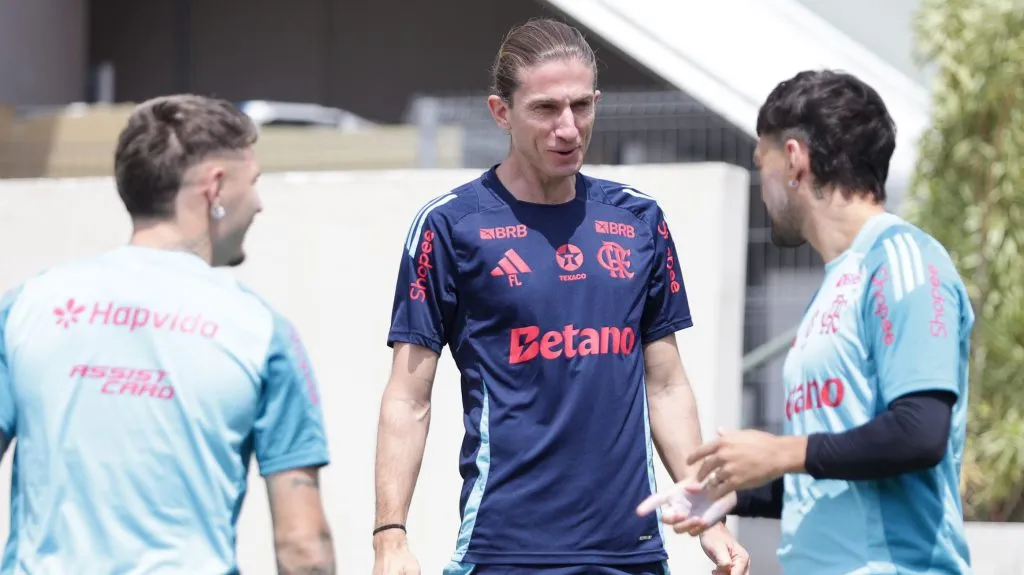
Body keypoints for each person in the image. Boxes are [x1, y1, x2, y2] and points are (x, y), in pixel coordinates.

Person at [372, 17, 749, 575]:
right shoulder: (450, 227)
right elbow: (409, 397)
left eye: (581, 106)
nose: (568, 128)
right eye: (546, 109)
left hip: (632, 551)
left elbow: (667, 385)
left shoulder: (640, 220)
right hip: (507, 550)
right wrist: (390, 537)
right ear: (502, 112)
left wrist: (707, 516)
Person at [642, 70, 975, 574]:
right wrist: (734, 494)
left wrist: (779, 451)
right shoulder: (834, 285)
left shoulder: (905, 260)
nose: (763, 187)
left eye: (762, 165)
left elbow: (920, 432)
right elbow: (835, 461)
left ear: (795, 160)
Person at [0, 95, 335, 574]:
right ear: (215, 188)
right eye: (254, 182)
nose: (259, 204)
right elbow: (303, 548)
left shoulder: (26, 308)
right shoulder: (261, 333)